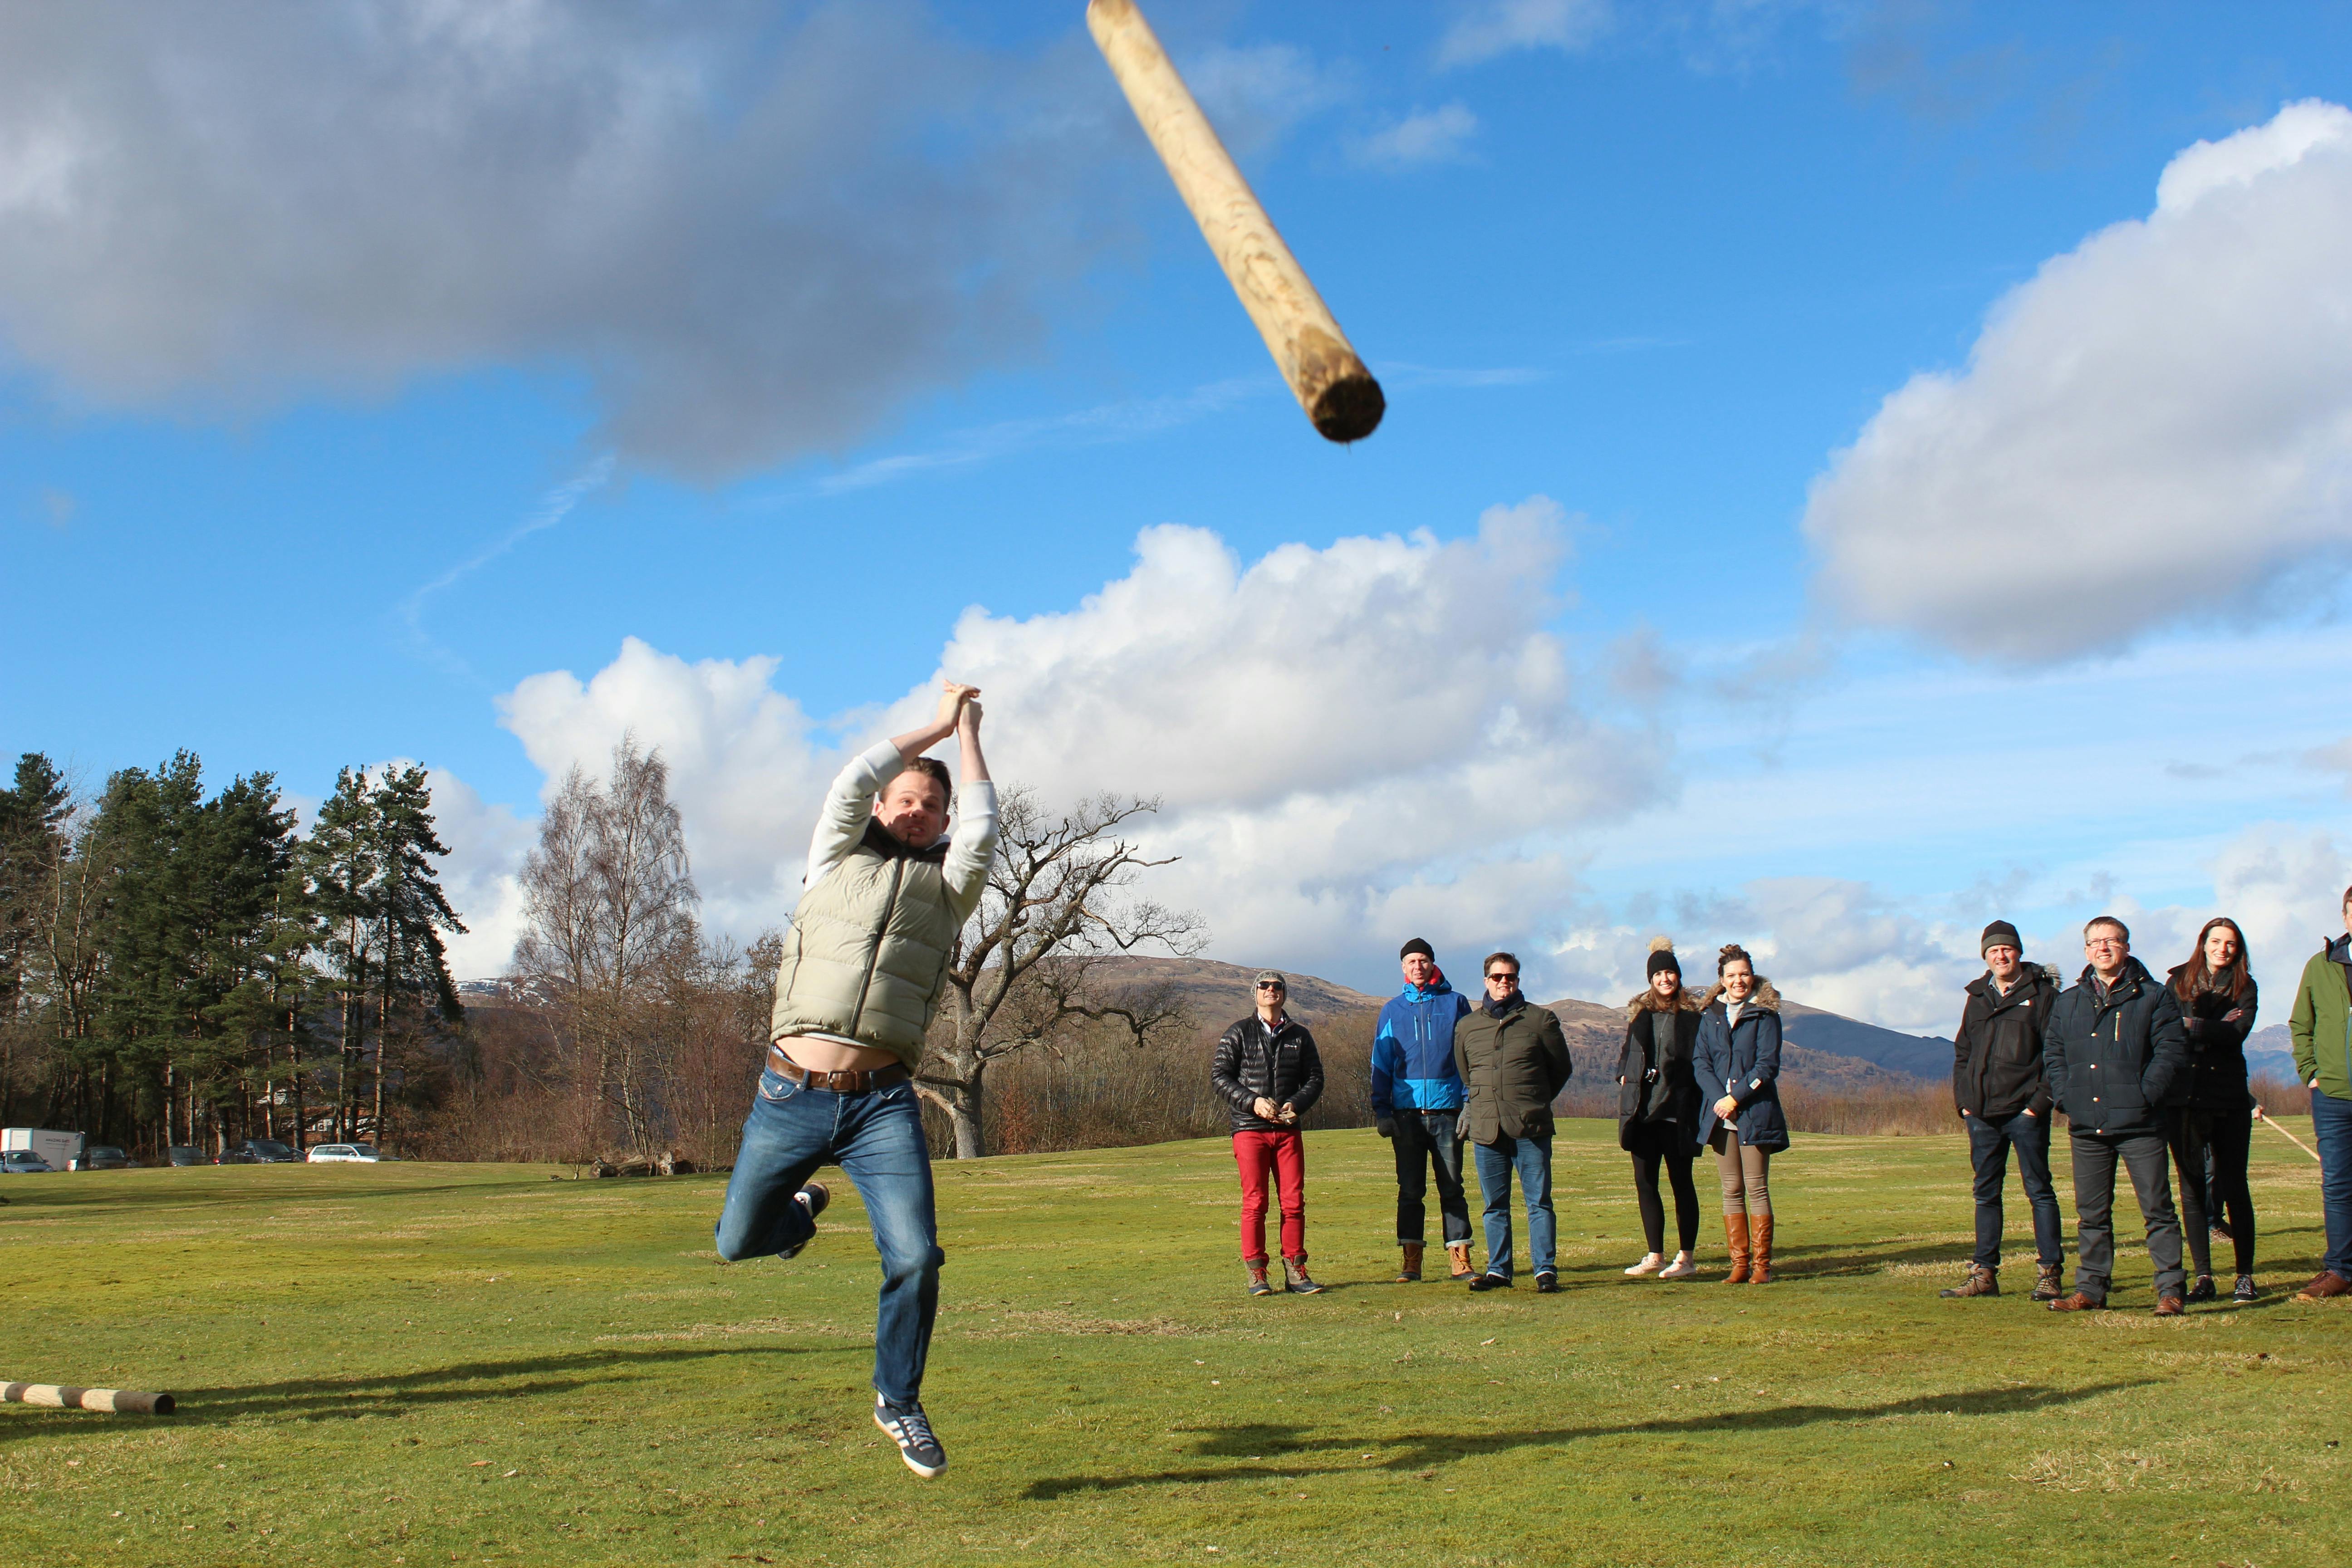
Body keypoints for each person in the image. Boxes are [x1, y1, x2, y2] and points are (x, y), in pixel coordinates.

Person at [714, 680, 996, 1480]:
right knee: (736, 1243)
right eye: (904, 799)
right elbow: (849, 780)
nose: (915, 812)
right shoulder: (832, 858)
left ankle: (897, 1400)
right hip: (788, 1094)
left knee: (916, 1257)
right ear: (881, 807)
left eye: (930, 806)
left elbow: (982, 830)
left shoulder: (950, 891)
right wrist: (934, 725)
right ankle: (798, 1216)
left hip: (881, 1107)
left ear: (942, 820)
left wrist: (969, 735)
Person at [2043, 916, 2189, 1315]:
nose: (2103, 948)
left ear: (2126, 947)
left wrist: (2145, 1095)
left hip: (2141, 1124)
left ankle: (2171, 1291)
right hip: (2087, 1124)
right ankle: (2090, 1289)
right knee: (2091, 1215)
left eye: (2111, 941)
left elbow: (2170, 1052)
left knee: (2157, 1210)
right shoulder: (2068, 1001)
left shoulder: (2154, 996)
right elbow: (2054, 1053)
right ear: (2086, 951)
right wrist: (2066, 1097)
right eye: (2095, 942)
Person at [1941, 920, 2063, 1303]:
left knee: (2039, 1191)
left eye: (2007, 949)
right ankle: (1984, 1274)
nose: (2001, 955)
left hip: (2024, 1112)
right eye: (1993, 950)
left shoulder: (2043, 995)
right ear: (1985, 957)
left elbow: (2056, 1054)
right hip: (1981, 1114)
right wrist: (1964, 1104)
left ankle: (2050, 1274)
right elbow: (1963, 1052)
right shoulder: (1978, 997)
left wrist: (2037, 1106)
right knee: (1986, 1194)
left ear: (2019, 952)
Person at [1453, 952, 1573, 1293]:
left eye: (1510, 977)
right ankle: (1499, 1271)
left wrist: (1534, 1100)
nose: (1504, 982)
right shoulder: (1467, 1027)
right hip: (1487, 1129)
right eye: (1497, 977)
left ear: (1518, 981)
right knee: (1494, 1206)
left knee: (1539, 1202)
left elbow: (1561, 1068)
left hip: (1530, 1127)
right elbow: (1467, 1074)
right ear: (1486, 981)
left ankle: (1545, 1271)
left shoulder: (1540, 1020)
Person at [1212, 971, 1326, 1297]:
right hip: (1250, 1130)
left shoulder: (1300, 1035)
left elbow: (1315, 1078)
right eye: (1264, 986)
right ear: (1255, 993)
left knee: (1293, 1202)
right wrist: (1253, 1102)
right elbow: (1220, 1076)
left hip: (1288, 1130)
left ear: (1284, 994)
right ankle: (1257, 1274)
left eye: (1277, 986)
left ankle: (1296, 1271)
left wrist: (1296, 1104)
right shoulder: (1239, 1032)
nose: (1271, 990)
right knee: (1255, 1202)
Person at [1370, 938, 1475, 1282]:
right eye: (1412, 961)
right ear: (1403, 967)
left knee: (1452, 1187)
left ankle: (1460, 1257)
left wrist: (1469, 1104)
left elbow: (1470, 1056)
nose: (1418, 966)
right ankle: (1411, 1260)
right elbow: (1381, 1063)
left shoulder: (1455, 1003)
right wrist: (1382, 1111)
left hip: (1448, 1113)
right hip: (1407, 1116)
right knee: (1410, 1191)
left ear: (1433, 964)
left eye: (1424, 960)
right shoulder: (1393, 1010)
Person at [2166, 917, 2259, 1304]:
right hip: (2185, 1096)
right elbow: (2168, 1031)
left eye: (2231, 943)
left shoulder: (2245, 986)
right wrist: (2212, 1026)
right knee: (2191, 1188)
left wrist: (2192, 1025)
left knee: (2234, 1185)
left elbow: (2238, 1033)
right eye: (2216, 941)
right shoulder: (2177, 983)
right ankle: (2203, 1276)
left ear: (2238, 949)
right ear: (2203, 943)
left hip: (2229, 1096)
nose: (2223, 949)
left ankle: (2244, 1276)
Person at [1693, 944, 1789, 1284]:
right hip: (1720, 1116)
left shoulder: (1765, 1016)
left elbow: (1767, 1066)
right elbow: (1701, 1063)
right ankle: (1739, 1265)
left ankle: (1762, 1267)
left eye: (1744, 974)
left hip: (1755, 1113)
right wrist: (1720, 1100)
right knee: (1731, 1189)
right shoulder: (1711, 1016)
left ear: (1753, 977)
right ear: (1721, 980)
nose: (1739, 981)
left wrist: (1735, 1099)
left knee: (1756, 1187)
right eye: (1732, 976)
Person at [1617, 938, 1703, 1280]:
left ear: (1678, 976)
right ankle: (1655, 1255)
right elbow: (1628, 1055)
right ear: (1650, 979)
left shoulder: (1695, 1017)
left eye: (1670, 973)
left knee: (1682, 1184)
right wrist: (1624, 1078)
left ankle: (1687, 1258)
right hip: (1643, 1114)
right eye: (1658, 974)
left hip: (1677, 1114)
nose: (1664, 979)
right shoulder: (1640, 1016)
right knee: (1646, 1184)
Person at [2288, 885, 2352, 1302]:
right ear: (2345, 917)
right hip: (2333, 1095)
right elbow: (2301, 1024)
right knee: (2339, 1185)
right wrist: (2311, 1072)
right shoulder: (2320, 965)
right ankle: (2341, 1269)